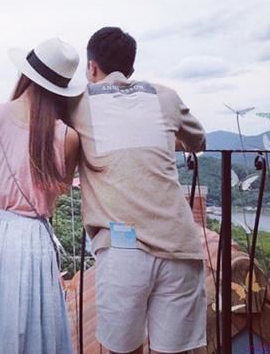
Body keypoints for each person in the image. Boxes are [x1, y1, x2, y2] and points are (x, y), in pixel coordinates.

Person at [70, 27, 207, 354]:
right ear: (131, 66)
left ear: (91, 67)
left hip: (122, 249)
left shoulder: (78, 103)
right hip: (180, 245)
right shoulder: (166, 97)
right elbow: (199, 141)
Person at [0, 38, 82, 354]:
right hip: (31, 236)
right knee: (28, 324)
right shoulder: (67, 136)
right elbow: (61, 186)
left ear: (25, 75)